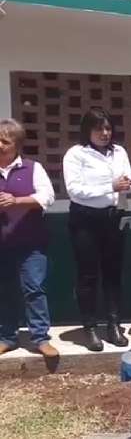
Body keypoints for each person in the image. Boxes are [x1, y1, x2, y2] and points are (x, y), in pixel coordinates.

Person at [63, 108, 131, 351]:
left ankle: (113, 324)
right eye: (98, 129)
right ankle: (90, 327)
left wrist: (127, 184)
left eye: (107, 128)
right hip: (86, 219)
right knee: (87, 275)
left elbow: (130, 182)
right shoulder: (76, 155)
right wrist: (110, 185)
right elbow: (75, 190)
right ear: (87, 130)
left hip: (114, 217)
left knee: (113, 273)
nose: (105, 133)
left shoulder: (119, 152)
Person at [0, 118, 58, 357]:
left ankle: (40, 338)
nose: (0, 145)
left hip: (31, 242)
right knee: (4, 289)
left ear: (17, 145)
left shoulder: (33, 168)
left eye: (5, 141)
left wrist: (17, 200)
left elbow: (48, 196)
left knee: (34, 288)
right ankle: (6, 337)